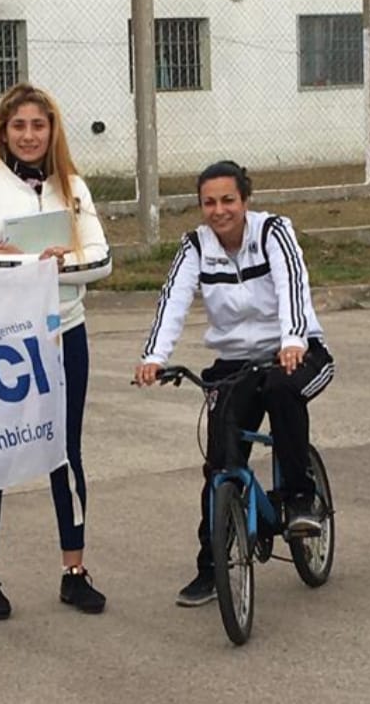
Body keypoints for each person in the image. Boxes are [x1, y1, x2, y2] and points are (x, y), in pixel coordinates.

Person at [135, 160, 335, 607]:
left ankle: (300, 498)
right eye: (209, 202)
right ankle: (212, 566)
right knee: (220, 464)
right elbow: (173, 300)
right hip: (236, 363)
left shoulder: (273, 232)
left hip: (296, 351)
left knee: (282, 392)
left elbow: (293, 285)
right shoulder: (195, 246)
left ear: (245, 200)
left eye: (228, 200)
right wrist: (154, 357)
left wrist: (293, 339)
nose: (219, 210)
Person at [0, 83, 112, 618]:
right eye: (18, 125)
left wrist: (30, 261)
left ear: (52, 130)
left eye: (38, 125)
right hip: (1, 339)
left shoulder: (73, 186)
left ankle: (74, 570)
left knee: (66, 450)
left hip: (66, 332)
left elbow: (101, 261)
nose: (28, 135)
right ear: (3, 131)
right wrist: (36, 263)